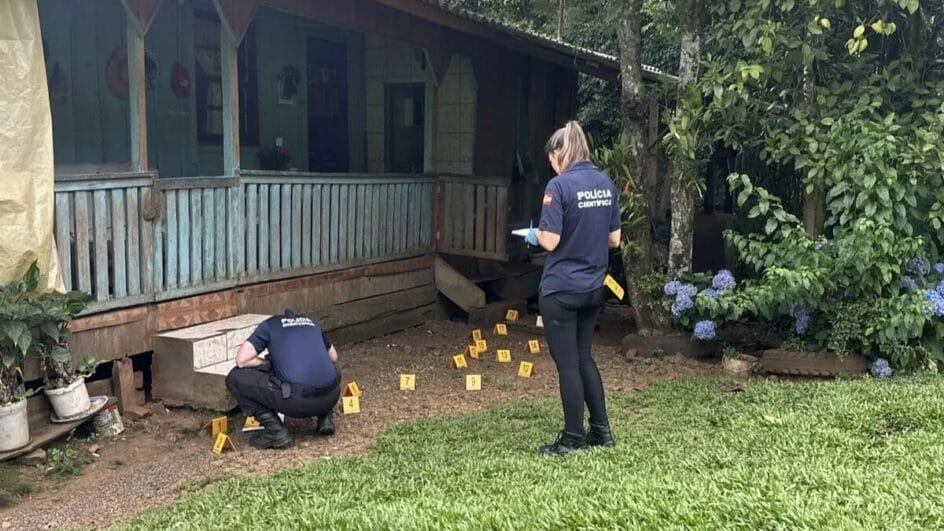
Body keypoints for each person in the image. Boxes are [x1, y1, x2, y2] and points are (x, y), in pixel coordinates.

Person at [526, 121, 621, 456]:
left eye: (552, 157)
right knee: (583, 357)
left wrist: (533, 234)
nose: (552, 164)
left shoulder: (559, 186)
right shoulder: (605, 183)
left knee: (567, 363)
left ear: (559, 153)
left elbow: (550, 241)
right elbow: (614, 239)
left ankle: (572, 437)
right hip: (594, 287)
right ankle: (601, 431)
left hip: (561, 289)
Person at [225, 309, 341, 449]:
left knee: (235, 377)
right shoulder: (312, 323)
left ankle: (276, 432)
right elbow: (333, 357)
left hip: (296, 403)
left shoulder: (270, 325)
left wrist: (267, 363)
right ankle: (325, 418)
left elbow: (241, 361)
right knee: (332, 371)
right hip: (331, 396)